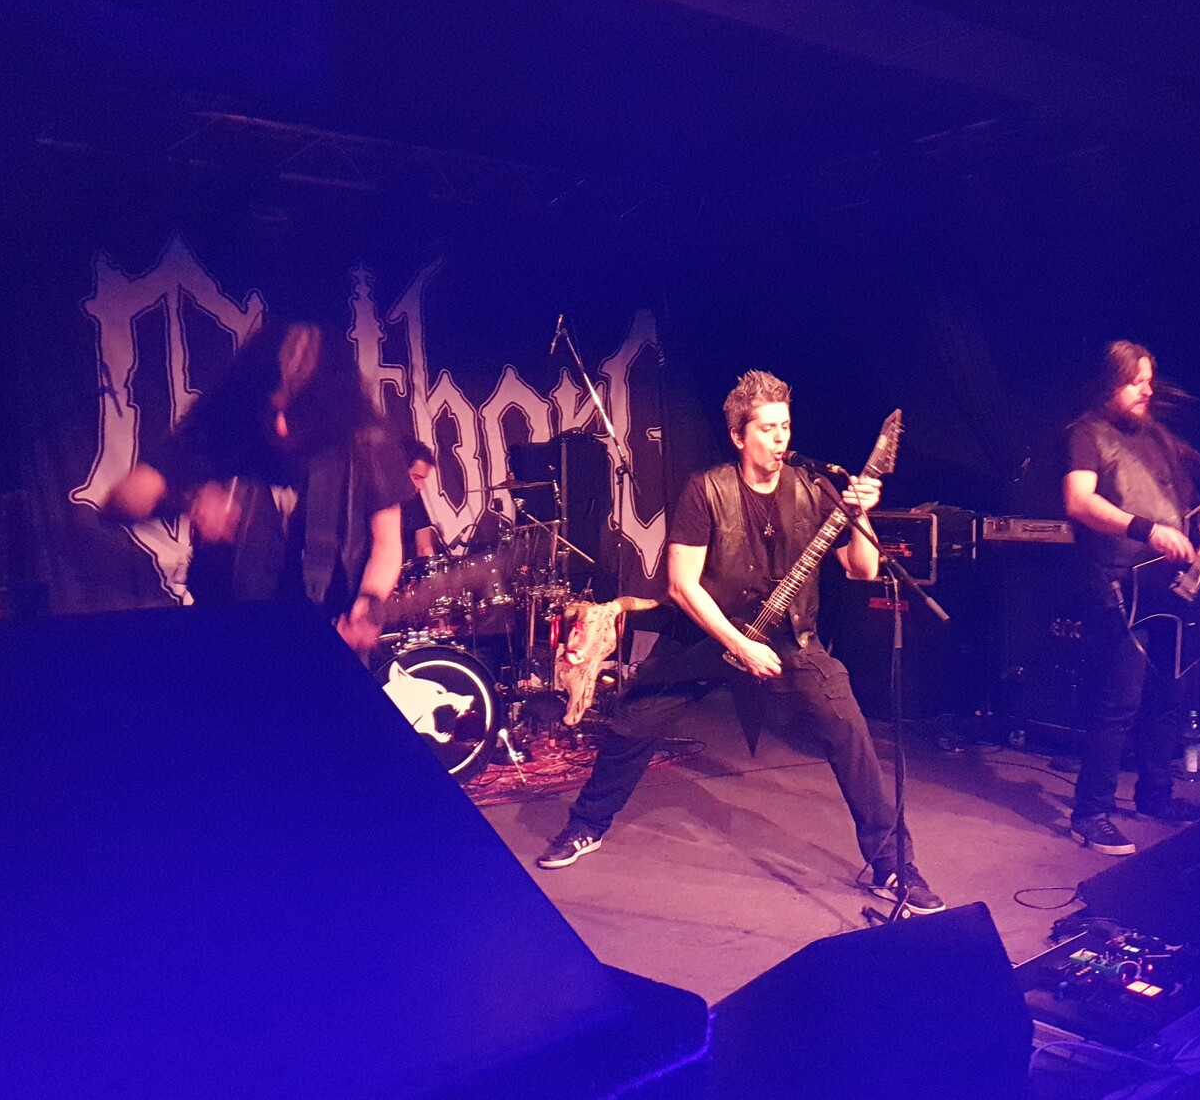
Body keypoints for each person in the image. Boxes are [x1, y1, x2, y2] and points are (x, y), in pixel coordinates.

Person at [534, 369, 946, 915]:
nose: (780, 439)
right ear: (738, 435)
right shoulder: (707, 489)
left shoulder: (813, 487)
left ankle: (892, 865)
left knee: (848, 728)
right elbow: (682, 585)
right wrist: (738, 644)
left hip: (789, 638)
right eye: (767, 428)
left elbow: (861, 568)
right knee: (633, 722)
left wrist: (860, 514)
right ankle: (586, 826)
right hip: (705, 635)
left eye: (785, 426)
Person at [104, 319, 409, 655]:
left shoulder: (368, 442)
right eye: (272, 409)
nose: (280, 427)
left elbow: (386, 544)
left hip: (329, 641)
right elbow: (119, 501)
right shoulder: (223, 429)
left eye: (299, 414)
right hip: (232, 642)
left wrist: (369, 603)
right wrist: (188, 499)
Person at [1062, 341, 1200, 856]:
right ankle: (1090, 813)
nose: (1147, 390)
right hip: (1118, 581)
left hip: (1166, 583)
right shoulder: (1086, 434)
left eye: (1148, 380)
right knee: (1118, 701)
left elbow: (1183, 513)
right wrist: (1147, 530)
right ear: (1109, 383)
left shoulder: (1157, 439)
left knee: (1170, 694)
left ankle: (1155, 795)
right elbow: (1079, 502)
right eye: (1135, 381)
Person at [400, 441, 439, 559]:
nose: (421, 486)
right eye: (416, 477)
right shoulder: (375, 502)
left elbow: (425, 548)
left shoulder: (413, 499)